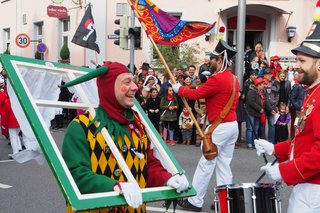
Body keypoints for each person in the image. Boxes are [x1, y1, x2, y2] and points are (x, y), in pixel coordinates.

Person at [61, 61, 189, 212]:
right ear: (109, 88)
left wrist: (166, 178)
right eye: (127, 82)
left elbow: (148, 164)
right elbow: (75, 174)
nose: (135, 87)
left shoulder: (137, 124)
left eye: (134, 81)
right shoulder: (81, 126)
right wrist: (113, 186)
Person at [255, 5, 320, 211]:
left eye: (302, 60)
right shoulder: (312, 93)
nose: (296, 65)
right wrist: (275, 148)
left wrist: (285, 171)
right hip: (308, 185)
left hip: (314, 189)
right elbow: (304, 138)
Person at [173, 40, 240, 212]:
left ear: (220, 60)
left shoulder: (217, 79)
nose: (210, 60)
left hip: (219, 127)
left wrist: (178, 89)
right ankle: (225, 202)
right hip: (232, 126)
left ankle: (195, 201)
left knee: (206, 164)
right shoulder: (234, 79)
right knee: (224, 164)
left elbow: (196, 94)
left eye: (213, 58)